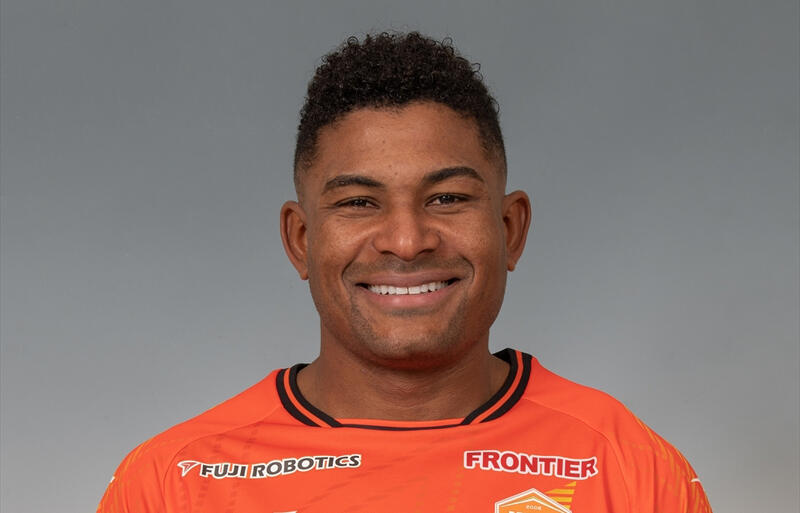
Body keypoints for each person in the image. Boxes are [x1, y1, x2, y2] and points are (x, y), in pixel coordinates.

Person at [98, 32, 712, 512]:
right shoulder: (174, 482)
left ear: (510, 228)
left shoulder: (631, 471)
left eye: (447, 198)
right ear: (301, 240)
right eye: (358, 202)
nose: (407, 241)